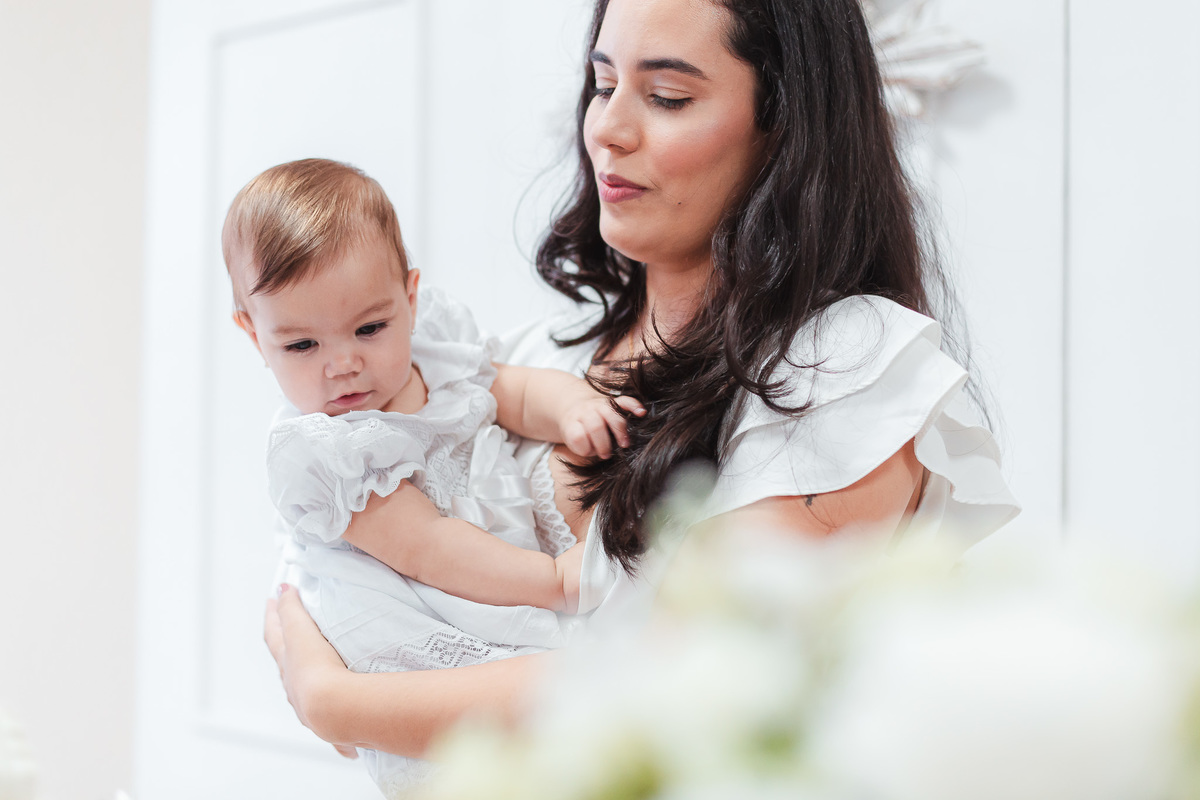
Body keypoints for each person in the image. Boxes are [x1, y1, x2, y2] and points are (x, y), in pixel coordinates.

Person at [264, 0, 1021, 769]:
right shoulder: (534, 358)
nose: (608, 130)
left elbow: (693, 676)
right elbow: (330, 560)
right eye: (601, 85)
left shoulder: (849, 366)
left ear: (785, 126)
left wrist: (334, 699)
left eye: (667, 97)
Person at [223, 158, 645, 793]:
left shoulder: (435, 355)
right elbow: (427, 549)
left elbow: (508, 390)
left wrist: (574, 406)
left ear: (411, 298)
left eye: (370, 328)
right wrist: (556, 579)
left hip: (483, 580)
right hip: (418, 613)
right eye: (301, 346)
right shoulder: (327, 451)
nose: (343, 365)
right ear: (254, 335)